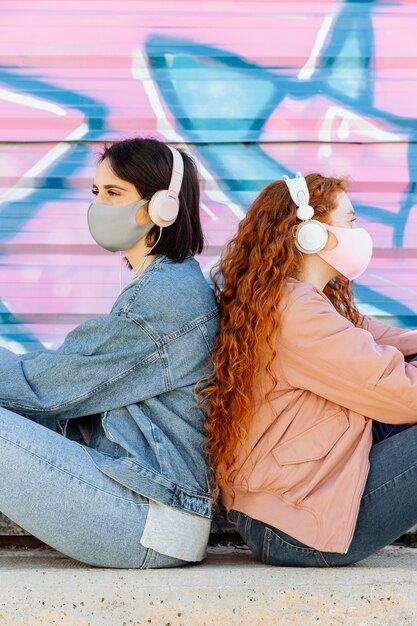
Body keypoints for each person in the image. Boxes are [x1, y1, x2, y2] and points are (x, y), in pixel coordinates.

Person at [0, 137, 219, 568]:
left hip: (151, 519)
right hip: (145, 505)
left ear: (163, 208)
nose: (99, 206)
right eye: (96, 193)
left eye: (114, 193)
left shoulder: (164, 298)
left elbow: (46, 388)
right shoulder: (168, 283)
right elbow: (63, 377)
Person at [200, 171, 417, 567]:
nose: (360, 232)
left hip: (285, 505)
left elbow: (375, 336)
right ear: (312, 234)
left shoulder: (293, 299)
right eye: (350, 221)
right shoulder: (298, 313)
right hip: (291, 530)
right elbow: (401, 392)